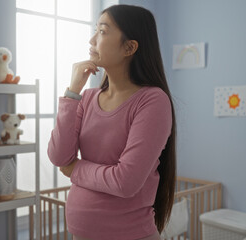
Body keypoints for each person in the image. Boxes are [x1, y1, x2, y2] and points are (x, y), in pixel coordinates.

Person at [47, 4, 176, 240]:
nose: (92, 39)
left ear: (130, 47)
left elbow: (125, 182)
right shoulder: (86, 98)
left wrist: (74, 169)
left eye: (103, 31)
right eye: (95, 30)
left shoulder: (153, 101)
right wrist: (73, 92)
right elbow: (58, 157)